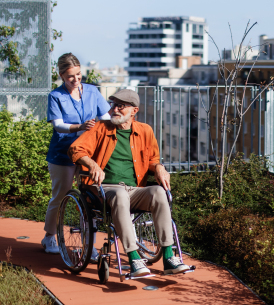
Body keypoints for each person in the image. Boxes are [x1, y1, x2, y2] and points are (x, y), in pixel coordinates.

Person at [68, 89, 191, 276]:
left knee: (159, 192)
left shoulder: (145, 131)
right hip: (104, 189)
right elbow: (75, 149)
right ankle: (134, 258)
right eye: (113, 105)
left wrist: (158, 168)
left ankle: (168, 257)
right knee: (120, 194)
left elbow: (153, 159)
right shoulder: (100, 128)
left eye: (120, 106)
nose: (114, 109)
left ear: (134, 111)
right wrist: (91, 163)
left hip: (134, 190)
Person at [41, 53, 111, 258]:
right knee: (61, 195)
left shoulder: (92, 91)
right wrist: (80, 127)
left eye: (79, 74)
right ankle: (49, 237)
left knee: (90, 199)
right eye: (71, 76)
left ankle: (89, 246)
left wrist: (109, 125)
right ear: (62, 75)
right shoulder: (55, 96)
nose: (76, 79)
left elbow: (105, 117)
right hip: (62, 153)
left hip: (87, 152)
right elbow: (58, 125)